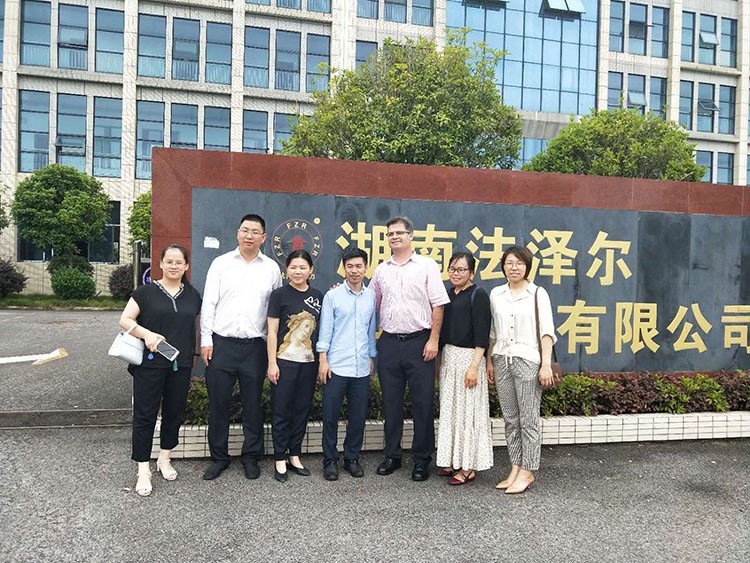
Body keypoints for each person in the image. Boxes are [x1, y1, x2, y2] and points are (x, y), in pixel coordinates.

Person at [200, 214, 282, 481]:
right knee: (219, 404)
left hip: (254, 348)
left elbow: (275, 311)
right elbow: (209, 303)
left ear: (263, 237)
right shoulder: (221, 264)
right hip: (221, 345)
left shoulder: (271, 269)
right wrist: (206, 340)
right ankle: (219, 457)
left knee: (253, 405)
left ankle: (251, 457)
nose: (249, 236)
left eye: (255, 232)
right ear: (237, 233)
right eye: (245, 230)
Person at [369, 216, 450, 482]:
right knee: (390, 403)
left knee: (422, 403)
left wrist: (433, 340)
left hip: (420, 342)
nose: (395, 237)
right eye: (390, 234)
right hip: (389, 342)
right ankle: (392, 456)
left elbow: (438, 304)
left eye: (399, 233)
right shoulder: (381, 270)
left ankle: (422, 459)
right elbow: (370, 303)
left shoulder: (427, 266)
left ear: (410, 235)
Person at [119, 244, 202, 497]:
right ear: (161, 264)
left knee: (174, 413)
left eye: (179, 262)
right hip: (150, 364)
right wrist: (147, 334)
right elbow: (125, 320)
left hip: (180, 364)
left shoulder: (193, 296)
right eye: (169, 261)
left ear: (186, 266)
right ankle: (143, 468)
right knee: (145, 415)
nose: (174, 266)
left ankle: (165, 458)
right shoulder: (145, 293)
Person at [487, 245, 557, 494]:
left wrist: (545, 365)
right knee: (510, 419)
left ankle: (528, 470)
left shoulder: (537, 293)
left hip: (527, 360)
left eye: (519, 263)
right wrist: (489, 361)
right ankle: (515, 466)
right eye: (509, 263)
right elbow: (493, 332)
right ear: (503, 266)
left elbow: (547, 331)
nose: (514, 267)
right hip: (501, 359)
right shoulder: (497, 294)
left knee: (528, 419)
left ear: (527, 266)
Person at [317, 247, 377, 481]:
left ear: (366, 268)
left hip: (360, 366)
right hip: (336, 366)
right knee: (330, 416)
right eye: (350, 266)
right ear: (344, 268)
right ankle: (330, 460)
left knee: (357, 417)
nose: (354, 270)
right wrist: (323, 360)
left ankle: (352, 458)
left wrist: (371, 356)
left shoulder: (371, 296)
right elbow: (325, 331)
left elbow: (370, 330)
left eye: (359, 266)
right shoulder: (332, 296)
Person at [435, 251, 493, 485]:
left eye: (460, 269)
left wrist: (474, 366)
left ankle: (468, 467)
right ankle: (451, 461)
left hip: (469, 359)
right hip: (450, 358)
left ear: (471, 272)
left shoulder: (478, 295)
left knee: (468, 414)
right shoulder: (448, 293)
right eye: (452, 269)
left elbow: (482, 334)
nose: (455, 273)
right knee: (451, 412)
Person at [267, 250, 323, 482]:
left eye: (302, 267)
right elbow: (272, 331)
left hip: (308, 363)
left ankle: (294, 455)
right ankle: (280, 457)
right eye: (293, 267)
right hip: (284, 362)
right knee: (281, 410)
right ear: (286, 269)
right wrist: (272, 363)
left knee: (301, 409)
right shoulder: (278, 295)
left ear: (311, 270)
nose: (298, 271)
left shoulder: (318, 296)